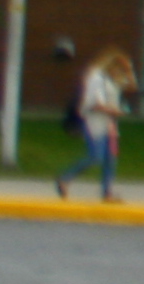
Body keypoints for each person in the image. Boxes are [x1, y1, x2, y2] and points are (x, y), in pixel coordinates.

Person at [56, 48, 135, 200]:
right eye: (120, 69)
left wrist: (129, 69)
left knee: (111, 158)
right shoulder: (96, 79)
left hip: (110, 125)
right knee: (96, 156)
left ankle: (107, 192)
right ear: (111, 66)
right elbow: (93, 104)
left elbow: (132, 86)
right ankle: (64, 178)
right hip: (95, 123)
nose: (121, 73)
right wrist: (114, 111)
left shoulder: (112, 80)